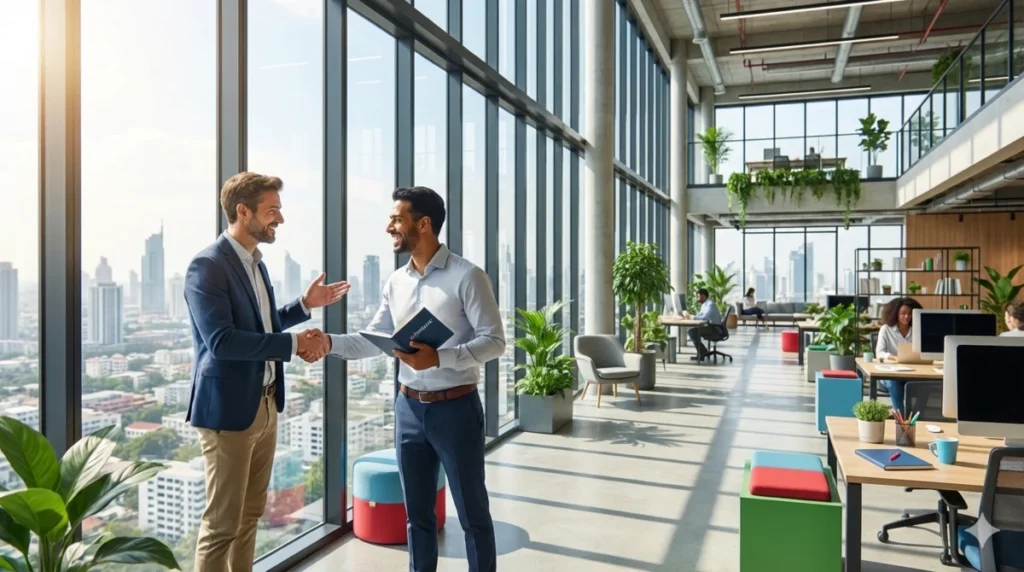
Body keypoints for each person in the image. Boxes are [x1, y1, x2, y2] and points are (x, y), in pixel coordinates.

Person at [302, 187, 505, 572]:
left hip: (456, 409)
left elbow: (495, 341)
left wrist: (439, 358)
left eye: (397, 219)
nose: (389, 227)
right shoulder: (396, 281)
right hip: (408, 409)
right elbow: (373, 338)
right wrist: (328, 342)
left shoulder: (468, 276)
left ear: (423, 223)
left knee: (473, 515)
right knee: (417, 517)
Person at [183, 172, 349, 572]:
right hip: (228, 414)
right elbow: (222, 341)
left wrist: (303, 305)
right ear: (244, 211)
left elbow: (261, 325)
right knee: (222, 525)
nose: (281, 219)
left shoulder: (255, 263)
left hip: (265, 406)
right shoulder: (207, 266)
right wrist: (294, 344)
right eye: (272, 210)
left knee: (250, 515)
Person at [874, 297, 923, 414]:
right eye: (903, 313)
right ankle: (901, 418)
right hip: (890, 374)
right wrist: (892, 357)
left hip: (913, 373)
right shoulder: (886, 330)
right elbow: (879, 353)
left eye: (910, 314)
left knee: (927, 385)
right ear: (895, 314)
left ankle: (916, 415)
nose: (907, 316)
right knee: (894, 383)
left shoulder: (918, 330)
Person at [684, 287, 722, 361]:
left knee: (692, 332)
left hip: (715, 329)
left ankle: (702, 352)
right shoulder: (705, 305)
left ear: (704, 296)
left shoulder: (710, 305)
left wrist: (692, 317)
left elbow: (704, 317)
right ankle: (702, 352)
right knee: (692, 330)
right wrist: (691, 316)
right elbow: (699, 315)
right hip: (711, 327)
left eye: (698, 296)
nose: (697, 299)